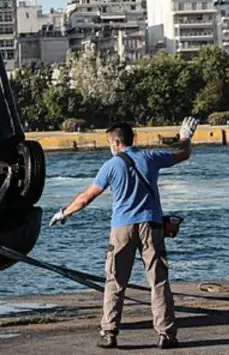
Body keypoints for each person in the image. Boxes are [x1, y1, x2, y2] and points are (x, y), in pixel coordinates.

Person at [48, 117, 198, 350]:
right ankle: (166, 334)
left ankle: (109, 333)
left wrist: (63, 213)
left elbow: (87, 197)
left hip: (122, 228)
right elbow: (183, 154)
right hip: (151, 225)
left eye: (110, 143)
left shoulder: (110, 166)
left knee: (115, 281)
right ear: (132, 139)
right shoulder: (150, 158)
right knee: (158, 281)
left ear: (116, 143)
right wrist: (186, 136)